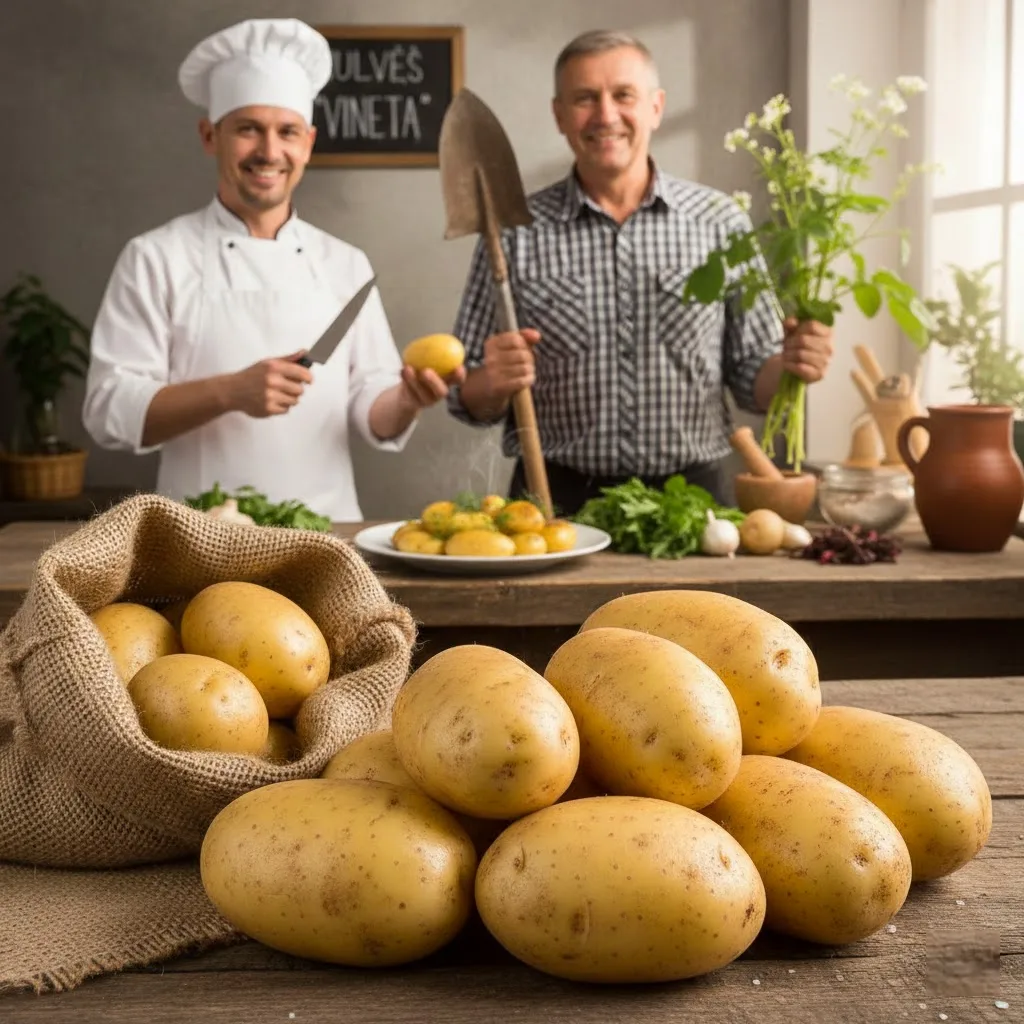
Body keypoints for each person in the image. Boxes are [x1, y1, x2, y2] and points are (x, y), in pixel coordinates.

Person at [83, 18, 462, 522]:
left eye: (286, 132)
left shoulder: (345, 263)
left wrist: (408, 400)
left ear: (307, 142)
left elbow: (373, 404)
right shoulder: (155, 257)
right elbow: (109, 410)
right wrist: (229, 391)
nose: (269, 151)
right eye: (248, 129)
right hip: (199, 535)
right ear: (209, 135)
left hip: (327, 536)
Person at [447, 30, 833, 513]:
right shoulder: (512, 231)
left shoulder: (718, 222)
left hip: (693, 502)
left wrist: (793, 366)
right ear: (559, 115)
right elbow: (468, 397)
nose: (606, 115)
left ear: (655, 107)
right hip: (555, 501)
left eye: (623, 95)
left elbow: (754, 382)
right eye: (585, 98)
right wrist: (493, 381)